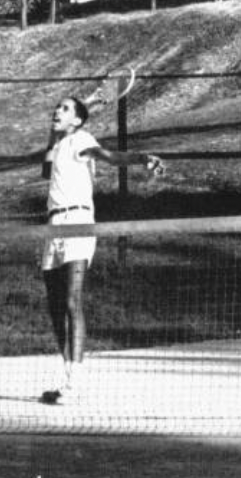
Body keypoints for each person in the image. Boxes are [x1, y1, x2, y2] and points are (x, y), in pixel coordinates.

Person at [38, 96, 163, 405]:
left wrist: (143, 157)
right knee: (55, 304)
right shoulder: (59, 145)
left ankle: (76, 380)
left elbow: (108, 156)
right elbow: (45, 172)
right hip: (53, 227)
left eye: (65, 109)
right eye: (57, 107)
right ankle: (67, 377)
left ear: (78, 120)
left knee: (71, 299)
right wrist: (54, 135)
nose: (57, 111)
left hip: (78, 221)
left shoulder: (82, 139)